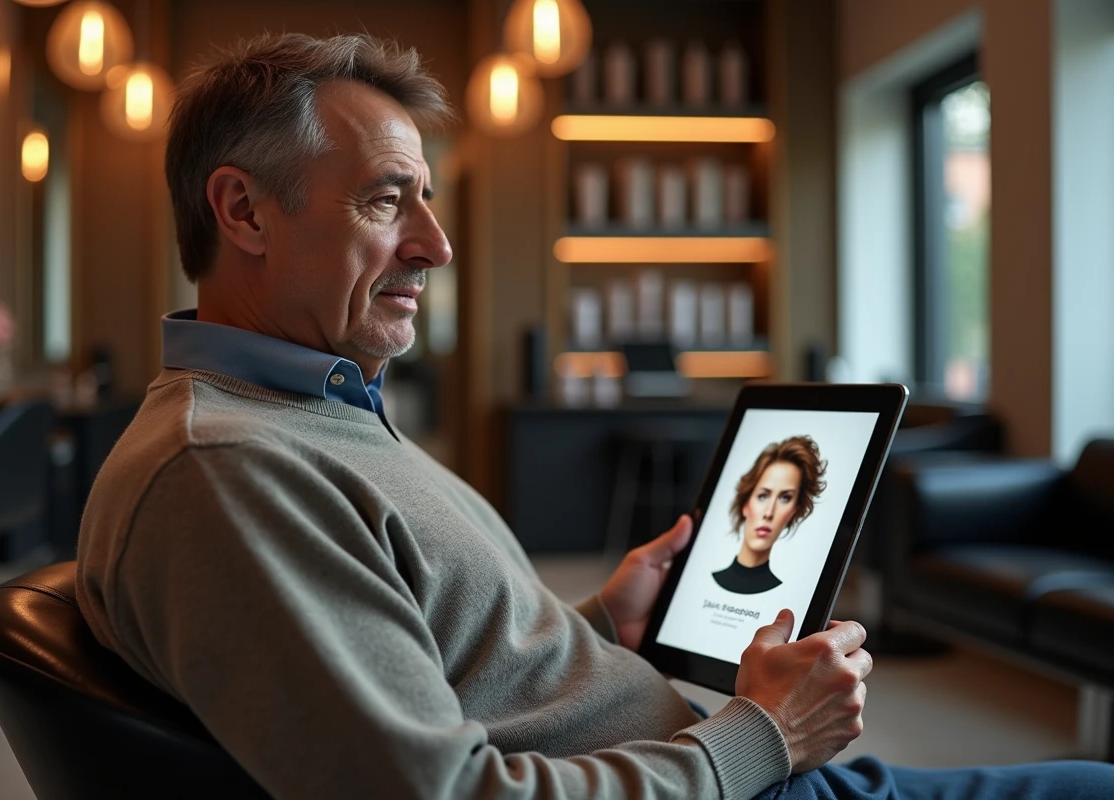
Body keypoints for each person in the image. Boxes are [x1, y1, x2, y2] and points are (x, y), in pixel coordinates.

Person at [75, 32, 1114, 800]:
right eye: (387, 200)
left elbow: (415, 678)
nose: (436, 243)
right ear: (243, 210)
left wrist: (594, 629)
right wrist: (762, 732)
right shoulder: (224, 470)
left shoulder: (295, 412)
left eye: (426, 199)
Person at [711, 436, 827, 595]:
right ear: (746, 504)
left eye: (785, 498)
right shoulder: (707, 583)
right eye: (763, 496)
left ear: (793, 512)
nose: (769, 513)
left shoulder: (790, 595)